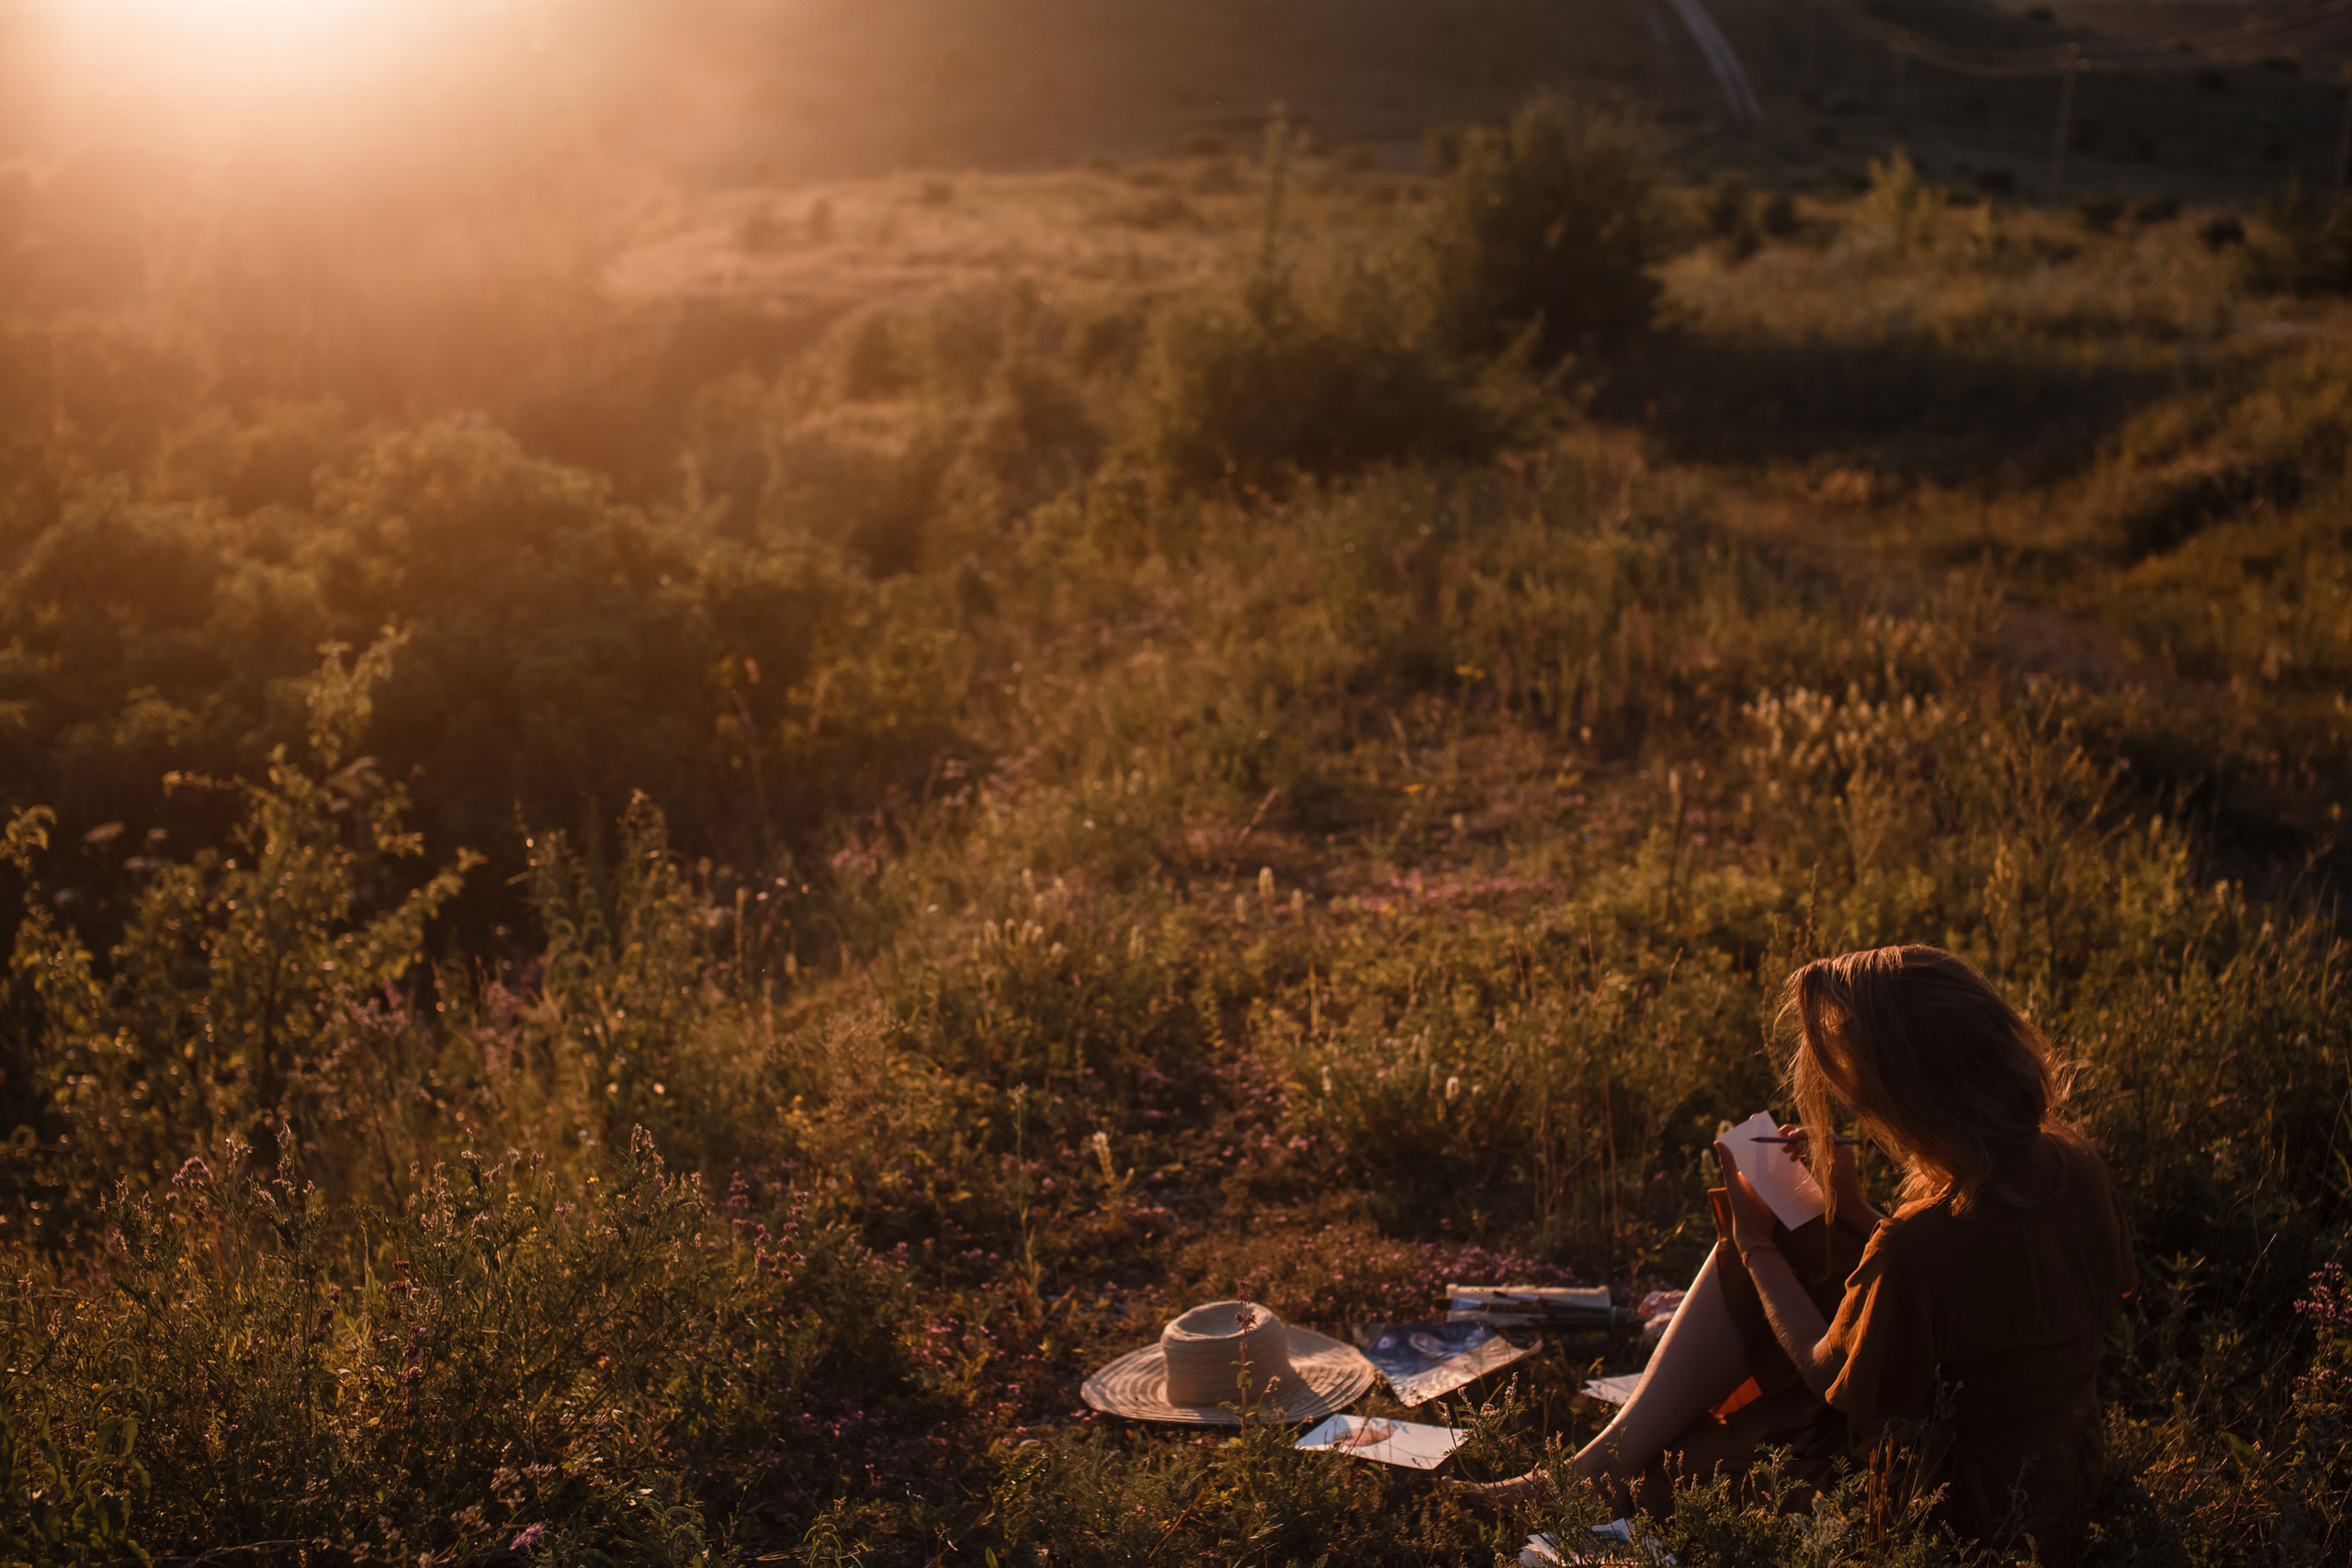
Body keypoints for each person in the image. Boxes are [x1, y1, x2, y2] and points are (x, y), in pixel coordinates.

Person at [1482, 945, 2136, 1564]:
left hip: (1952, 1514)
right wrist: (1851, 1211)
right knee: (1813, 1230)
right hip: (2061, 1479)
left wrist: (1755, 1243)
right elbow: (1982, 1295)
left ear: (1911, 1101)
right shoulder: (2071, 1161)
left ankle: (1597, 1473)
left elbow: (1832, 1375)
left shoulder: (1918, 1243)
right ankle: (1592, 1467)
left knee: (1680, 1469)